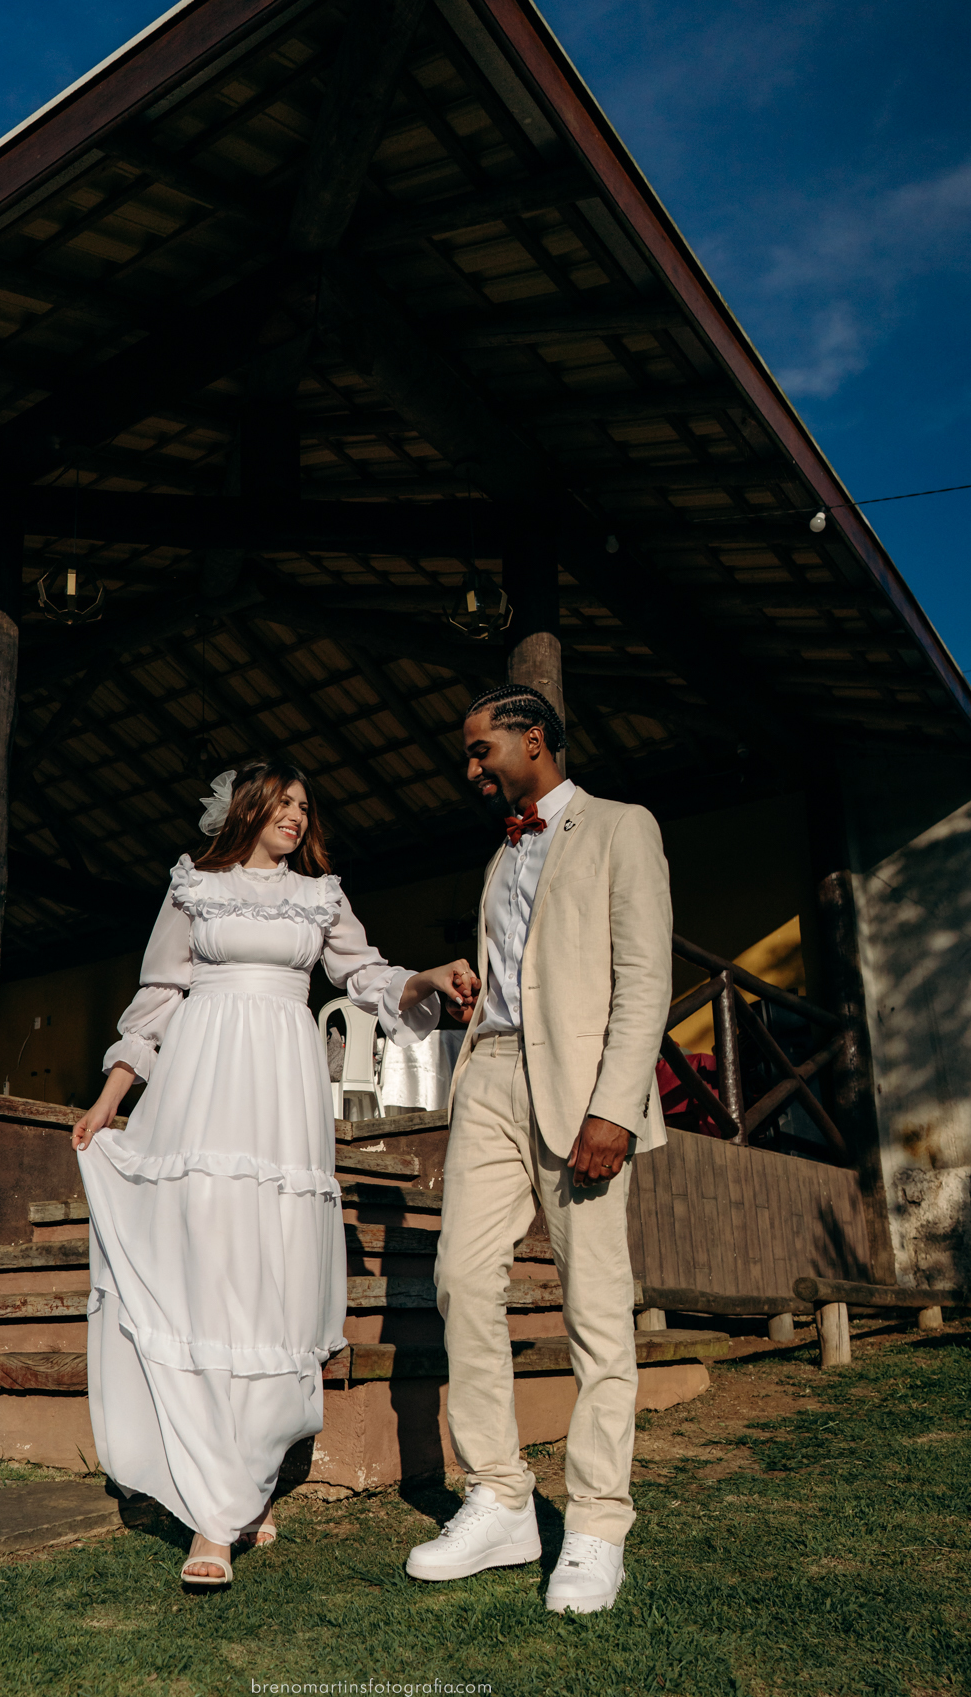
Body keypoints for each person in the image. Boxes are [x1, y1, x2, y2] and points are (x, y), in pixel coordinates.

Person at [72, 759, 476, 1590]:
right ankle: (215, 1517)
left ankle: (243, 1484)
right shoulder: (193, 889)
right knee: (205, 1267)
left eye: (304, 805)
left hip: (280, 1094)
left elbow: (361, 974)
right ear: (248, 809)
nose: (296, 816)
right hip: (200, 1085)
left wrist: (422, 978)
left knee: (267, 1281)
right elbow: (158, 996)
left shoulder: (318, 895)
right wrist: (111, 1096)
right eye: (282, 803)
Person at [405, 684, 671, 1615]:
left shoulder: (620, 827)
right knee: (460, 1278)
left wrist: (616, 1109)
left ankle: (597, 1524)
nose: (471, 769)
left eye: (482, 751)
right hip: (489, 1077)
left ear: (534, 738)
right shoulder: (501, 854)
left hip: (581, 1094)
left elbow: (643, 978)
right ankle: (501, 1497)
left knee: (595, 1306)